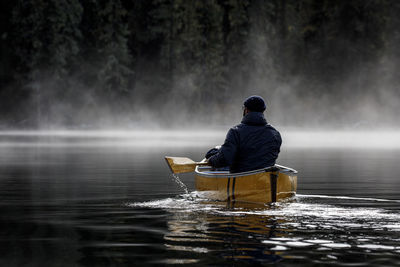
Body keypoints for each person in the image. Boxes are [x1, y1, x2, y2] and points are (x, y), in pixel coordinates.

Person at [206, 95, 282, 173]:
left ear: (246, 110)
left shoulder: (235, 132)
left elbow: (224, 159)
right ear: (263, 111)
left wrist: (211, 160)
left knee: (214, 157)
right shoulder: (275, 133)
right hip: (265, 177)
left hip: (242, 176)